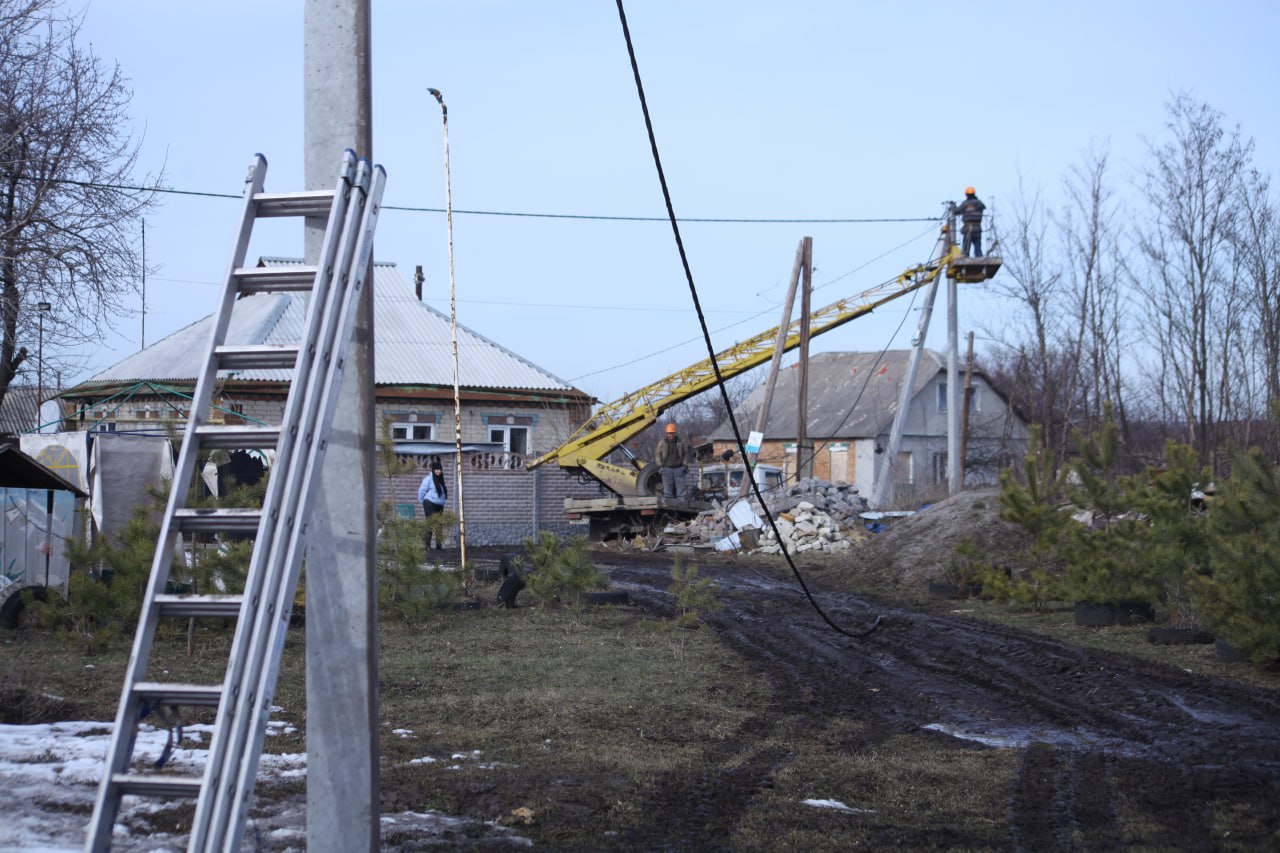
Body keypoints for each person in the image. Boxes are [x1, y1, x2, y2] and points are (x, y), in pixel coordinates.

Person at [654, 422, 692, 498]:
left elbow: (686, 454)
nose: (671, 435)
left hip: (679, 468)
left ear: (675, 433)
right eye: (669, 433)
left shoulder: (681, 443)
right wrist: (660, 466)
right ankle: (668, 508)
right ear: (667, 433)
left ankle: (681, 507)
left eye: (672, 433)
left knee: (681, 490)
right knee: (667, 491)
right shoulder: (662, 443)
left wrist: (684, 465)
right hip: (666, 469)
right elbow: (657, 454)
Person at [418, 458, 449, 549]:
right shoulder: (428, 479)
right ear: (433, 470)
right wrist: (423, 501)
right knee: (430, 524)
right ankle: (427, 546)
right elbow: (422, 491)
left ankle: (438, 546)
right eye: (437, 469)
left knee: (439, 525)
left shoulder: (440, 479)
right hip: (430, 503)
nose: (438, 471)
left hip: (439, 505)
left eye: (440, 469)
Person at [955, 186, 986, 258]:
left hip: (967, 229)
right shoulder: (979, 203)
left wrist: (953, 206)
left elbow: (957, 211)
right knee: (977, 245)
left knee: (966, 247)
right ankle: (979, 257)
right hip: (977, 228)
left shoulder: (965, 204)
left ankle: (966, 256)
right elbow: (983, 207)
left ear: (966, 195)